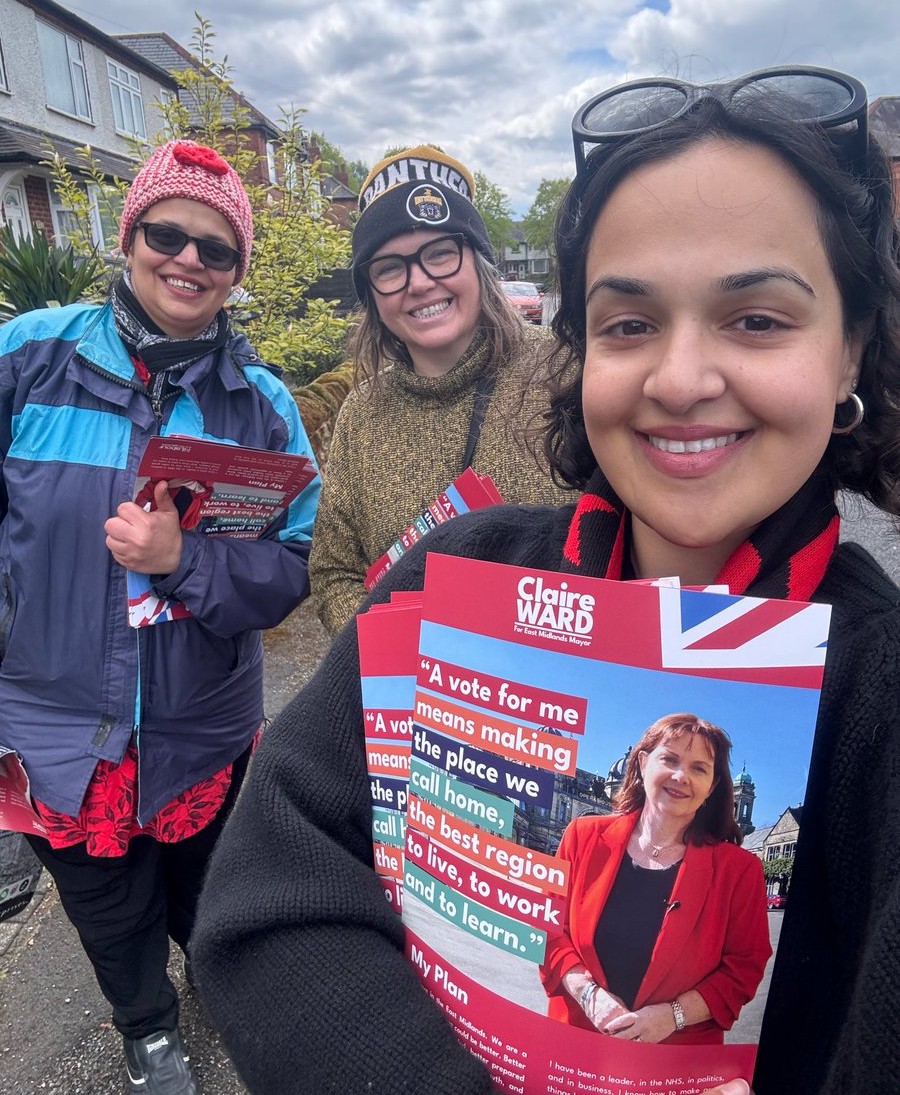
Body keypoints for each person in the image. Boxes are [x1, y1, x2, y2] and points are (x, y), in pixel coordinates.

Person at [192, 68, 900, 1095]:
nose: (680, 377)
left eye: (757, 319)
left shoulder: (878, 690)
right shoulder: (458, 573)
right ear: (582, 356)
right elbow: (271, 896)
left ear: (851, 354)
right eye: (628, 323)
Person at [0, 139, 320, 1095]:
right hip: (55, 718)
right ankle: (146, 1027)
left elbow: (288, 573)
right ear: (129, 236)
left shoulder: (260, 406)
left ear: (237, 274)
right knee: (104, 899)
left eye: (215, 250)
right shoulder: (28, 358)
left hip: (200, 720)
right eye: (166, 234)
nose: (187, 260)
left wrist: (187, 562)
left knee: (206, 884)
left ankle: (218, 983)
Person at [308, 145, 569, 634]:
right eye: (389, 268)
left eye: (441, 254)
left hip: (556, 691)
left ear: (479, 264)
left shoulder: (564, 374)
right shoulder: (363, 413)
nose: (420, 282)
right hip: (414, 696)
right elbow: (332, 573)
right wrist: (393, 648)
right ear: (371, 295)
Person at [540, 714, 771, 1044]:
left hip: (673, 1061)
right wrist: (589, 995)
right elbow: (548, 930)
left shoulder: (740, 870)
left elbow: (745, 968)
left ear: (712, 787)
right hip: (576, 1043)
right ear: (644, 763)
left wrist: (673, 1016)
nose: (681, 776)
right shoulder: (582, 835)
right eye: (670, 759)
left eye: (698, 768)